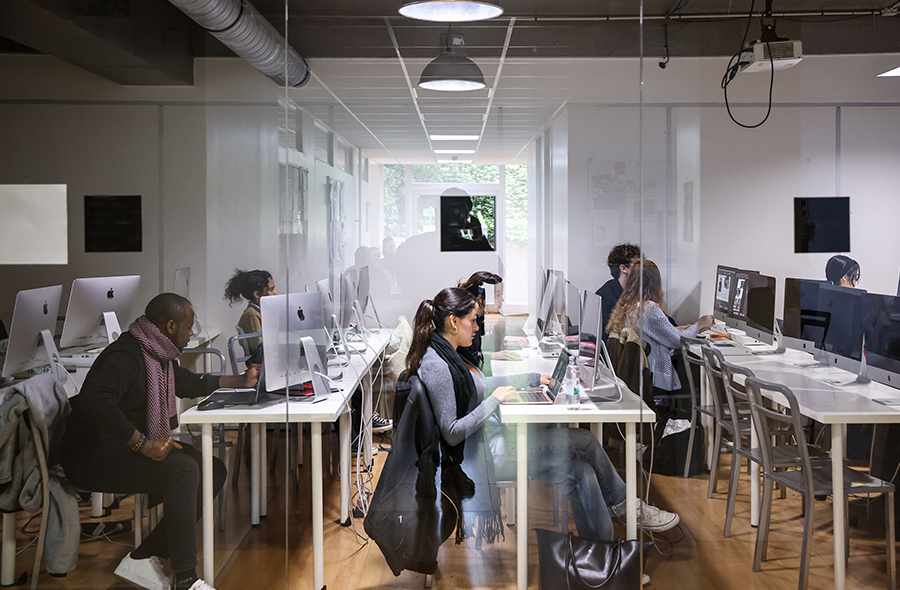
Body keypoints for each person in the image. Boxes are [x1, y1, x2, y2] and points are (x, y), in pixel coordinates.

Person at [407, 287, 680, 543]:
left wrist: (532, 378)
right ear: (454, 322)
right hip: (482, 455)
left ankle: (600, 558)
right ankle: (628, 508)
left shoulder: (447, 355)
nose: (477, 327)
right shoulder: (437, 365)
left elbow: (478, 385)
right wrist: (494, 400)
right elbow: (452, 433)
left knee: (580, 472)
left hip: (487, 441)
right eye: (472, 321)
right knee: (584, 442)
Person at [60, 293, 260, 590]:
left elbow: (186, 382)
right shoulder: (126, 355)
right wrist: (142, 444)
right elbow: (95, 402)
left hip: (117, 447)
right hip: (90, 456)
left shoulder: (156, 353)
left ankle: (144, 556)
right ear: (169, 325)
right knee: (184, 470)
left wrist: (238, 380)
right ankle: (185, 579)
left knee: (212, 469)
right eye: (188, 326)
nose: (192, 333)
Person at [607, 260, 714, 393]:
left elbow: (647, 333)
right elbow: (678, 341)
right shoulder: (649, 309)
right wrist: (700, 323)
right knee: (700, 374)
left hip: (635, 373)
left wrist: (672, 330)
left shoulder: (628, 306)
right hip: (653, 377)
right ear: (655, 283)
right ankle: (690, 411)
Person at [456, 271, 515, 368]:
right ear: (481, 299)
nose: (502, 300)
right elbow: (466, 359)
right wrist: (492, 356)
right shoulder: (467, 324)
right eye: (498, 295)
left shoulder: (478, 318)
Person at [223, 269, 277, 354]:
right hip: (261, 364)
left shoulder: (259, 312)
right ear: (257, 295)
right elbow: (259, 348)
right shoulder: (252, 315)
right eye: (271, 289)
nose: (275, 293)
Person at [596, 243, 642, 343]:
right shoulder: (606, 295)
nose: (643, 268)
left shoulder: (639, 290)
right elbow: (608, 332)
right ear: (623, 268)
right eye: (638, 264)